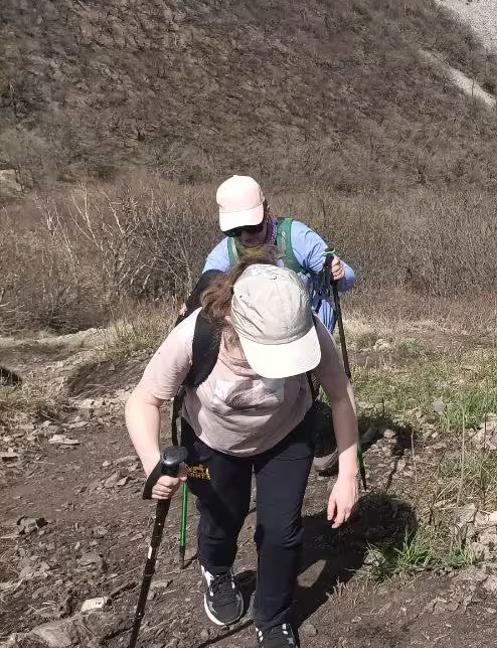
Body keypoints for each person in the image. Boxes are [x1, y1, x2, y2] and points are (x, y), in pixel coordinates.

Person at [125, 260, 360, 648]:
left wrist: (347, 473)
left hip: (287, 434)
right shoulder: (195, 336)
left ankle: (274, 617)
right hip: (210, 443)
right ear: (234, 322)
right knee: (222, 517)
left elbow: (339, 393)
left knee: (282, 533)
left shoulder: (306, 327)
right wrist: (154, 464)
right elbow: (143, 400)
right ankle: (216, 570)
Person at [201, 176, 355, 332]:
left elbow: (348, 280)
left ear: (267, 211)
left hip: (310, 333)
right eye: (235, 231)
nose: (245, 236)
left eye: (253, 227)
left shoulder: (296, 237)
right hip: (256, 337)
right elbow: (204, 293)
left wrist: (336, 273)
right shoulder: (223, 254)